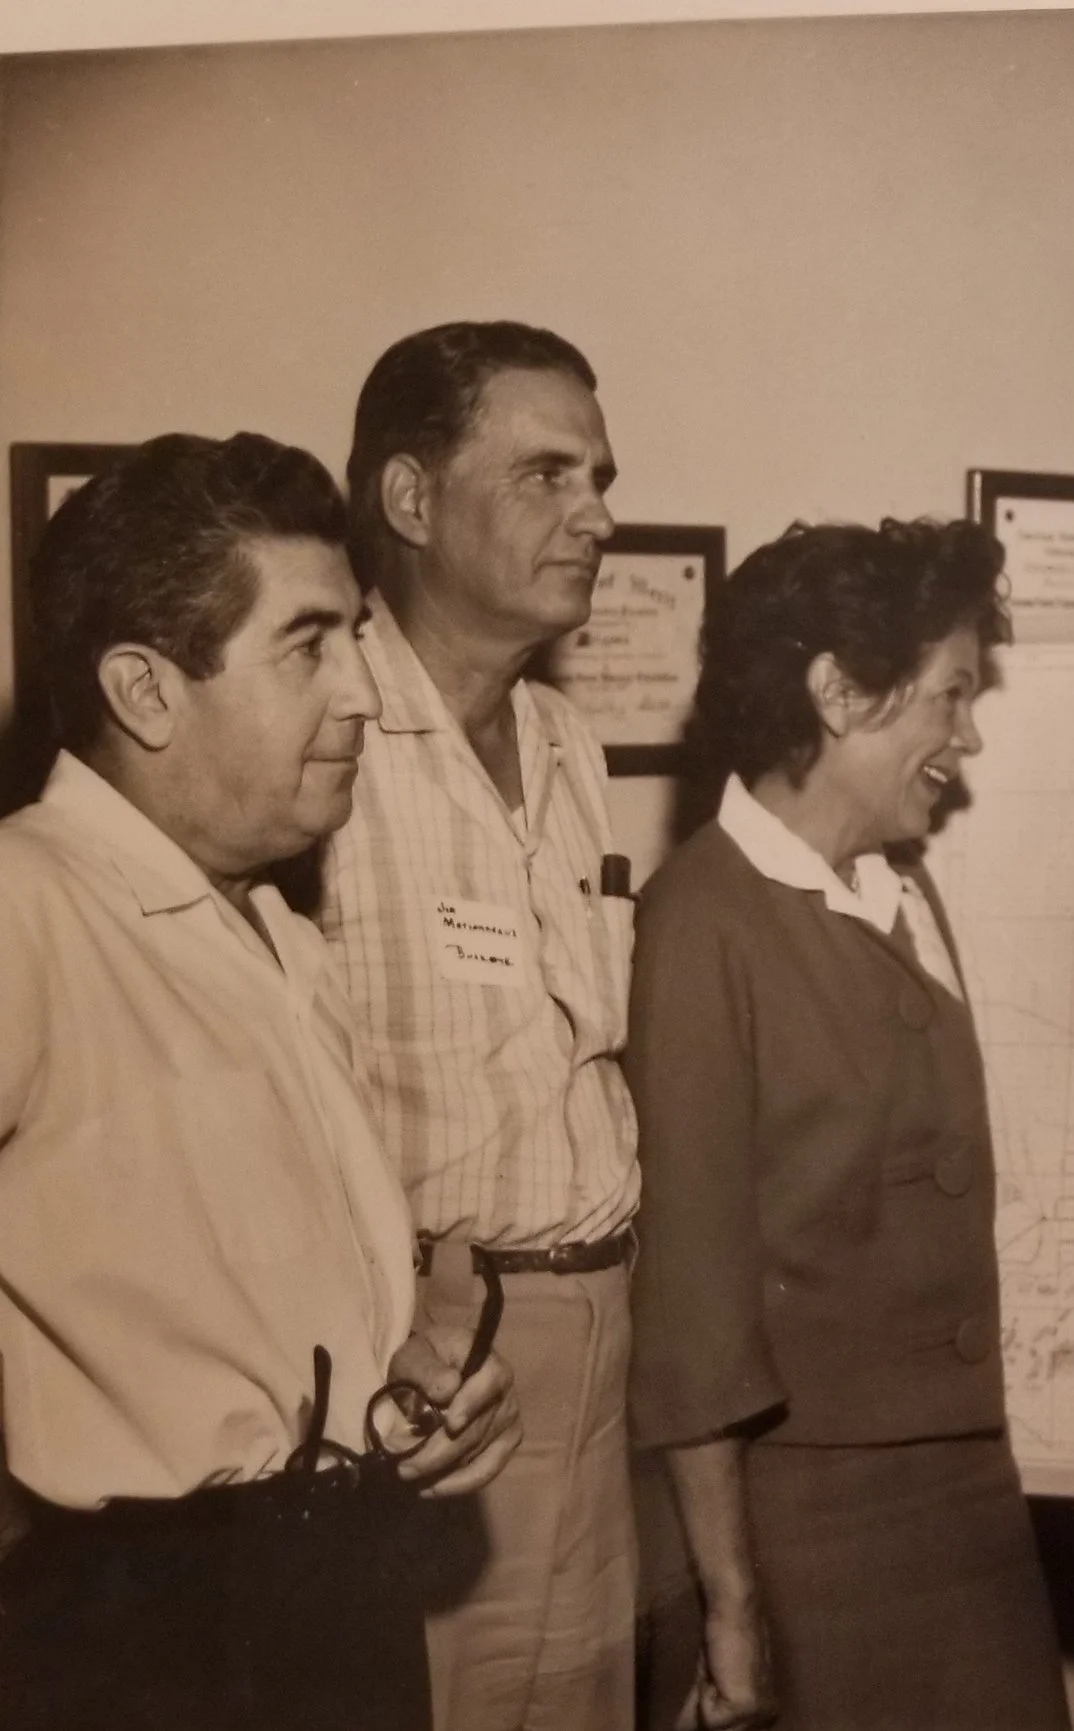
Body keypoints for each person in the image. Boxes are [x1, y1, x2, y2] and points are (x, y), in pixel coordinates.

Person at [0, 432, 521, 1730]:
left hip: (333, 1583)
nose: (364, 694)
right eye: (307, 646)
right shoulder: (25, 904)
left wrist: (415, 1383)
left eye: (356, 637)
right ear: (146, 690)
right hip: (144, 1636)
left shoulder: (272, 928)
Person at [627, 518, 1071, 1731]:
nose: (969, 737)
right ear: (837, 692)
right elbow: (693, 1321)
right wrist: (730, 1604)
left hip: (965, 1499)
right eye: (950, 695)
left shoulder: (902, 891)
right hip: (800, 1527)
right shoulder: (699, 924)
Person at [321, 320, 640, 1730]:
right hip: (434, 1349)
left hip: (603, 1326)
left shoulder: (570, 742)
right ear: (410, 498)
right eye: (546, 474)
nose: (598, 516)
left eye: (600, 478)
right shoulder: (317, 732)